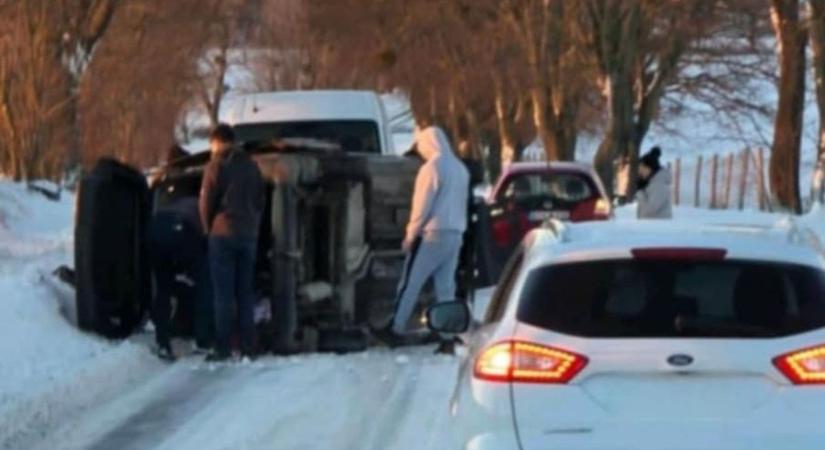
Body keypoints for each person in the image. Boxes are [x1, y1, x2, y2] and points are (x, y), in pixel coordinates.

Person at [372, 126, 470, 347]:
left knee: (410, 282)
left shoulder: (432, 168)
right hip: (455, 235)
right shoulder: (460, 168)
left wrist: (410, 235)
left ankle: (395, 328)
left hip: (432, 234)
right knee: (446, 286)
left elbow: (421, 206)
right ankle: (447, 334)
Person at [199, 124, 265, 361]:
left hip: (222, 234)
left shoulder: (215, 166)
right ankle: (248, 345)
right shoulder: (251, 165)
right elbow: (261, 199)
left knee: (223, 293)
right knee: (244, 292)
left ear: (217, 142)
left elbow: (206, 202)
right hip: (248, 236)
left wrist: (208, 230)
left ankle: (223, 347)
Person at [147, 145, 211, 361]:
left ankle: (162, 342)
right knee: (205, 283)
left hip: (156, 229)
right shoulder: (196, 195)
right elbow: (205, 233)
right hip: (182, 229)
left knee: (163, 287)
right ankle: (203, 340)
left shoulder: (163, 188)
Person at [636, 146, 673, 219]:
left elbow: (649, 210)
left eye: (642, 168)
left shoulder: (659, 185)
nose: (640, 172)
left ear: (650, 169)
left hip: (658, 227)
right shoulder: (651, 184)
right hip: (652, 226)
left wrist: (640, 191)